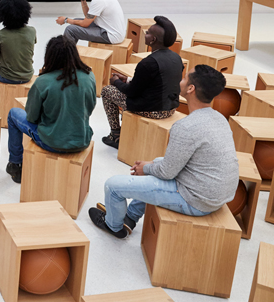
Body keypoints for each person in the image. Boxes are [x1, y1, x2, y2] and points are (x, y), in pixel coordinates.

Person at [89, 65, 240, 239]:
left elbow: (167, 173)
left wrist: (144, 168)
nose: (180, 80)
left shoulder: (186, 127)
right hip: (217, 194)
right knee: (158, 160)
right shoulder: (219, 118)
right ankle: (130, 217)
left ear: (191, 89)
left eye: (184, 78)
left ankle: (114, 226)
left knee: (113, 185)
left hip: (196, 200)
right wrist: (151, 164)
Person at [5, 36, 96, 184]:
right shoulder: (89, 75)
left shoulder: (43, 81)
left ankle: (15, 164)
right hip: (82, 139)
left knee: (13, 114)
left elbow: (32, 117)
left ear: (49, 55)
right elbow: (90, 108)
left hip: (51, 141)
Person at [100, 16, 184, 149]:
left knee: (107, 91)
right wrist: (127, 80)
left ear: (153, 39)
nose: (146, 34)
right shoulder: (176, 58)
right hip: (171, 108)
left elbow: (131, 92)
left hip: (152, 110)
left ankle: (115, 135)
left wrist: (116, 82)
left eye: (148, 32)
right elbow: (158, 82)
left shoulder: (147, 63)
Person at [56, 0, 125, 45]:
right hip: (112, 31)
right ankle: (71, 52)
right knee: (76, 21)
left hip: (111, 35)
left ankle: (66, 55)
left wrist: (65, 20)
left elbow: (85, 23)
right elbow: (88, 17)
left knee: (70, 30)